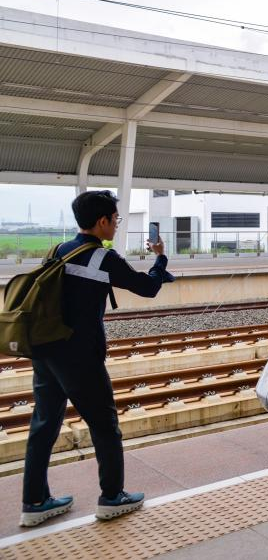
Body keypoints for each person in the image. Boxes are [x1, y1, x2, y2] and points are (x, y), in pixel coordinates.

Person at [20, 191, 171, 527]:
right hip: (79, 357)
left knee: (43, 426)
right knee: (105, 427)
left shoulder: (60, 250)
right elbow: (147, 288)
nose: (117, 225)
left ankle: (34, 502)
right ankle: (112, 497)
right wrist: (161, 259)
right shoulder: (103, 257)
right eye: (116, 219)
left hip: (45, 352)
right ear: (102, 221)